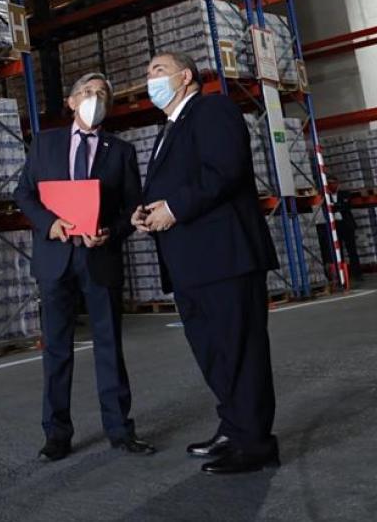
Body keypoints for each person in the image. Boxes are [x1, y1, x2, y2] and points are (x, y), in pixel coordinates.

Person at [132, 51, 281, 475]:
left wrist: (175, 208)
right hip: (190, 263)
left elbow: (224, 170)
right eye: (148, 72)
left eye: (157, 70)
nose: (150, 79)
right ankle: (233, 426)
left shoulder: (212, 109)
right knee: (213, 352)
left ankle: (256, 443)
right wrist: (146, 212)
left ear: (185, 76)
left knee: (240, 350)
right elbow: (177, 183)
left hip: (225, 257)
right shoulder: (169, 129)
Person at [14, 72, 154, 461]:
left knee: (109, 346)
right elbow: (23, 194)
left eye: (103, 93)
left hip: (100, 258)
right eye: (88, 93)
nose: (96, 98)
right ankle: (56, 434)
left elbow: (132, 208)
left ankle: (119, 430)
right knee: (57, 350)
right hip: (55, 258)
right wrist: (50, 224)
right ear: (72, 102)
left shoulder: (121, 151)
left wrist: (113, 231)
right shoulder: (45, 144)